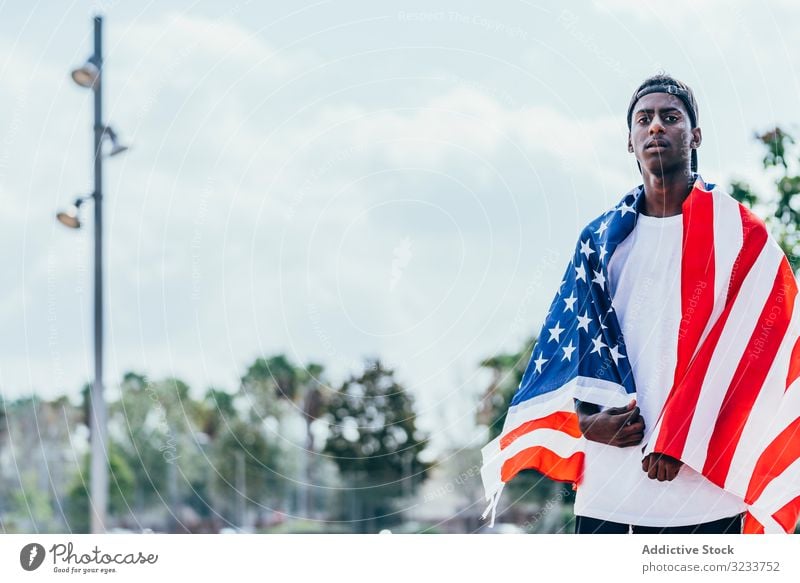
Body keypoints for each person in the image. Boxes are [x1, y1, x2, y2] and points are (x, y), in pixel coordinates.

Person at [480, 73, 800, 535]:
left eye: (670, 118)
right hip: (611, 492)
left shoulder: (740, 236)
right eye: (643, 120)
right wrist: (589, 424)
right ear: (630, 142)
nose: (656, 128)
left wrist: (685, 435)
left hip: (707, 492)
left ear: (695, 135)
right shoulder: (599, 243)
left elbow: (769, 351)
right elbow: (568, 358)